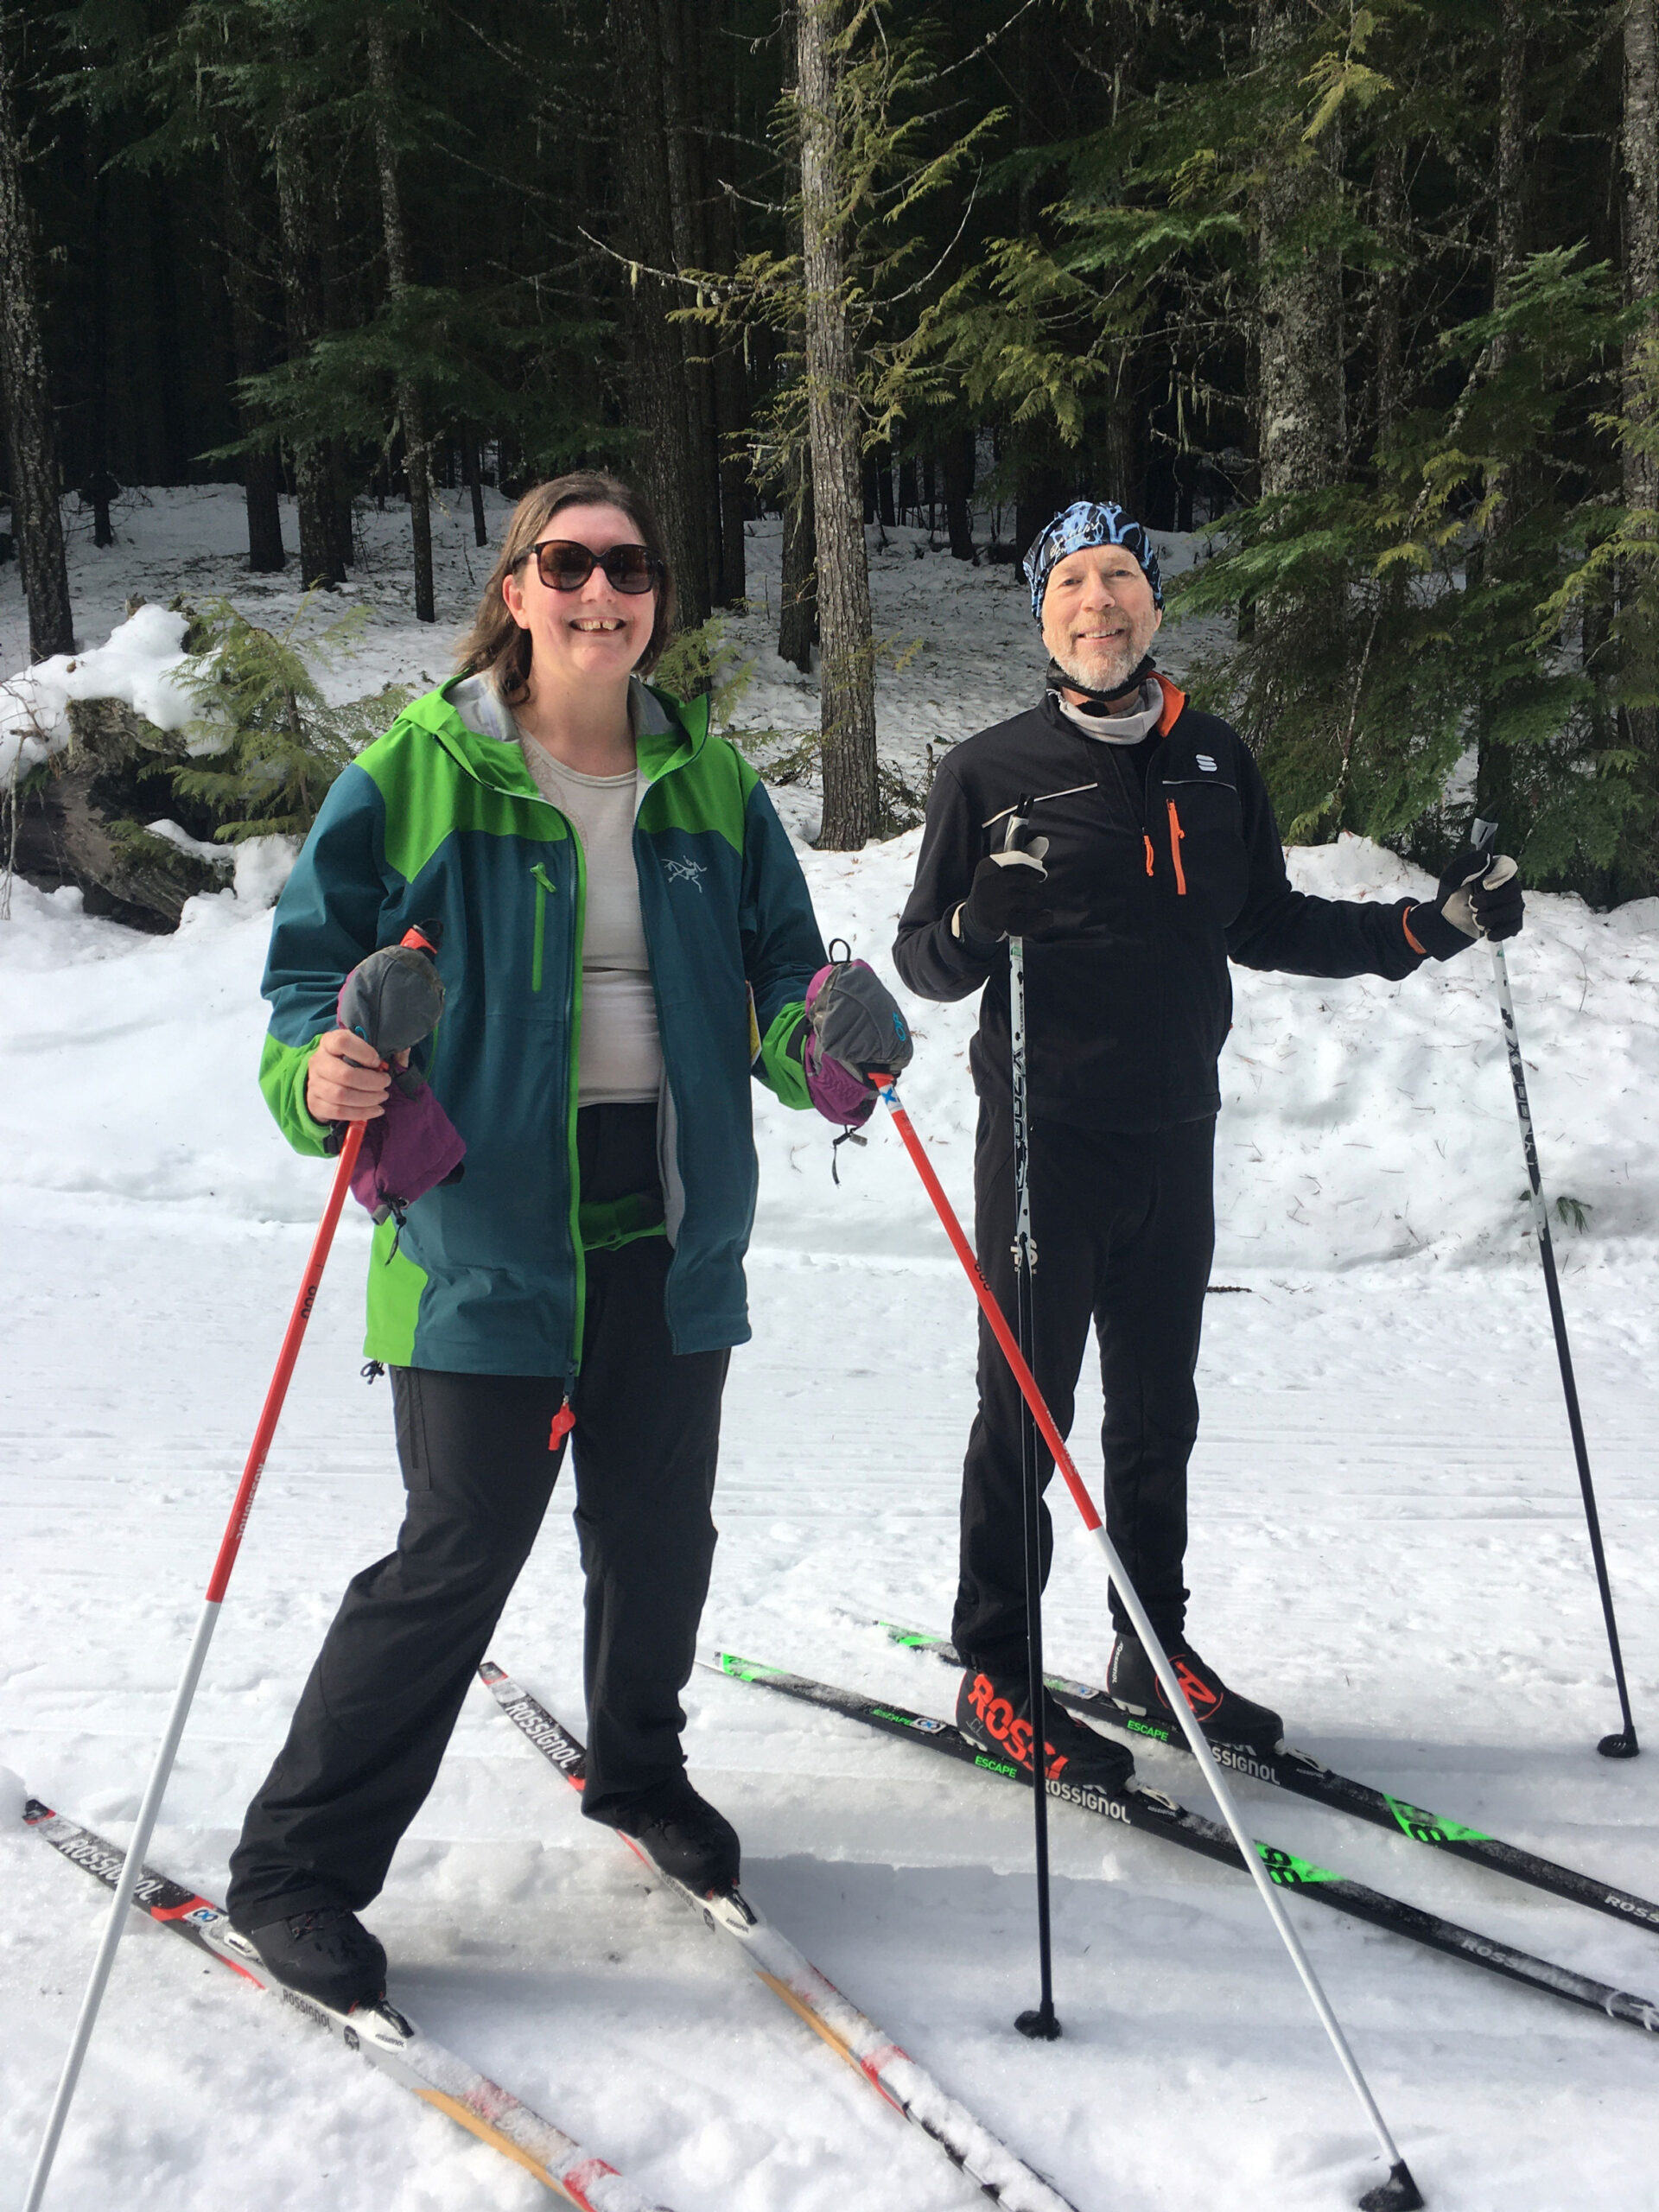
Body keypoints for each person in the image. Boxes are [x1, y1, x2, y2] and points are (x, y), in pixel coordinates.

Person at [226, 470, 906, 2010]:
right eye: (572, 563)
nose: (606, 590)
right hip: (482, 1223)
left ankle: (639, 1771)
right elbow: (302, 994)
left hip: (667, 1223)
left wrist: (843, 1046)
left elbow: (783, 1000)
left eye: (633, 567)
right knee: (458, 1550)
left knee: (659, 1539)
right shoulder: (416, 773)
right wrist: (318, 1074)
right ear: (518, 589)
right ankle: (296, 1868)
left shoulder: (712, 787)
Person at [893, 499, 1524, 1783]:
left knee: (1157, 1411)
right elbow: (924, 962)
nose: (1099, 603)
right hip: (1043, 1140)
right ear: (1043, 614)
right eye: (1072, 582)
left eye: (1120, 576)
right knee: (1026, 1410)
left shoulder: (1217, 758)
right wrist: (975, 921)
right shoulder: (989, 771)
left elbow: (1269, 920)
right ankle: (996, 1677)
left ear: (1155, 606)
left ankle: (1147, 1644)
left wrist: (1429, 929)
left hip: (1176, 1132)